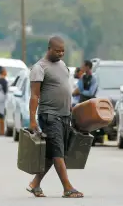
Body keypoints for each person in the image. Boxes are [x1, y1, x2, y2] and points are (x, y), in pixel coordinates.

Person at [27, 36, 84, 198]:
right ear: (49, 49)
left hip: (65, 115)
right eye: (57, 51)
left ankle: (35, 184)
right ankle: (67, 188)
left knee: (54, 153)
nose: (60, 54)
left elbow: (65, 88)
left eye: (63, 51)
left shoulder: (62, 65)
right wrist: (32, 119)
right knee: (57, 152)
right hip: (50, 116)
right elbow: (34, 95)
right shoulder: (39, 67)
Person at [0, 66, 8, 136]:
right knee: (2, 114)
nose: (6, 72)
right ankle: (2, 131)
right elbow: (6, 91)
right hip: (3, 97)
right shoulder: (4, 81)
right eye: (5, 71)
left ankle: (0, 130)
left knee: (0, 113)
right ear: (3, 72)